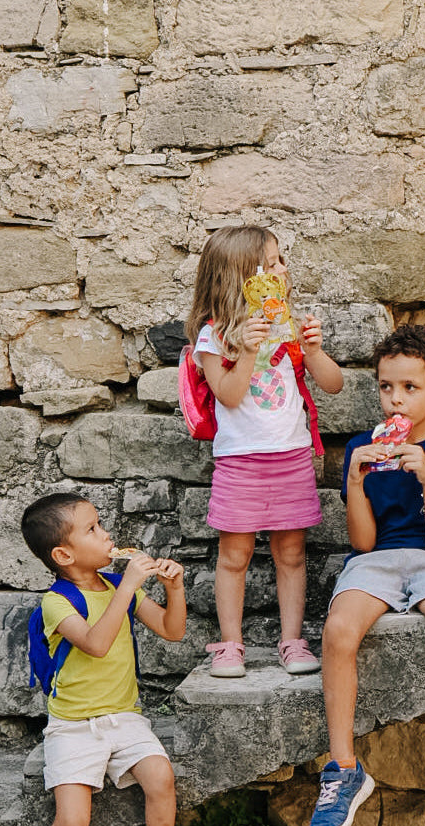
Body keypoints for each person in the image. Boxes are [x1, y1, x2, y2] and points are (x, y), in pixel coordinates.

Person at [308, 325, 425, 826]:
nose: (396, 399)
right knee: (339, 631)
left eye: (410, 388)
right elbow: (364, 544)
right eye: (387, 387)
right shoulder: (365, 446)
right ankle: (343, 768)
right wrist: (355, 479)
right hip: (380, 558)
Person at [14, 492, 195, 826]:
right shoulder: (56, 602)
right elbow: (95, 643)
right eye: (93, 528)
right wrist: (130, 586)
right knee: (73, 822)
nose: (107, 533)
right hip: (74, 726)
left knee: (161, 778)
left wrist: (173, 588)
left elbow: (173, 631)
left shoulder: (117, 586)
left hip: (124, 718)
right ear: (63, 555)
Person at [185, 224, 344, 678]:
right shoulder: (214, 337)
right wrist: (249, 349)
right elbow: (230, 395)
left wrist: (312, 351)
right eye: (271, 263)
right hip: (240, 460)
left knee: (291, 554)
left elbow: (333, 386)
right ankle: (230, 645)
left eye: (280, 261)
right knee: (234, 556)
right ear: (241, 278)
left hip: (290, 454)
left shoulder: (289, 325)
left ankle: (292, 641)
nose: (282, 269)